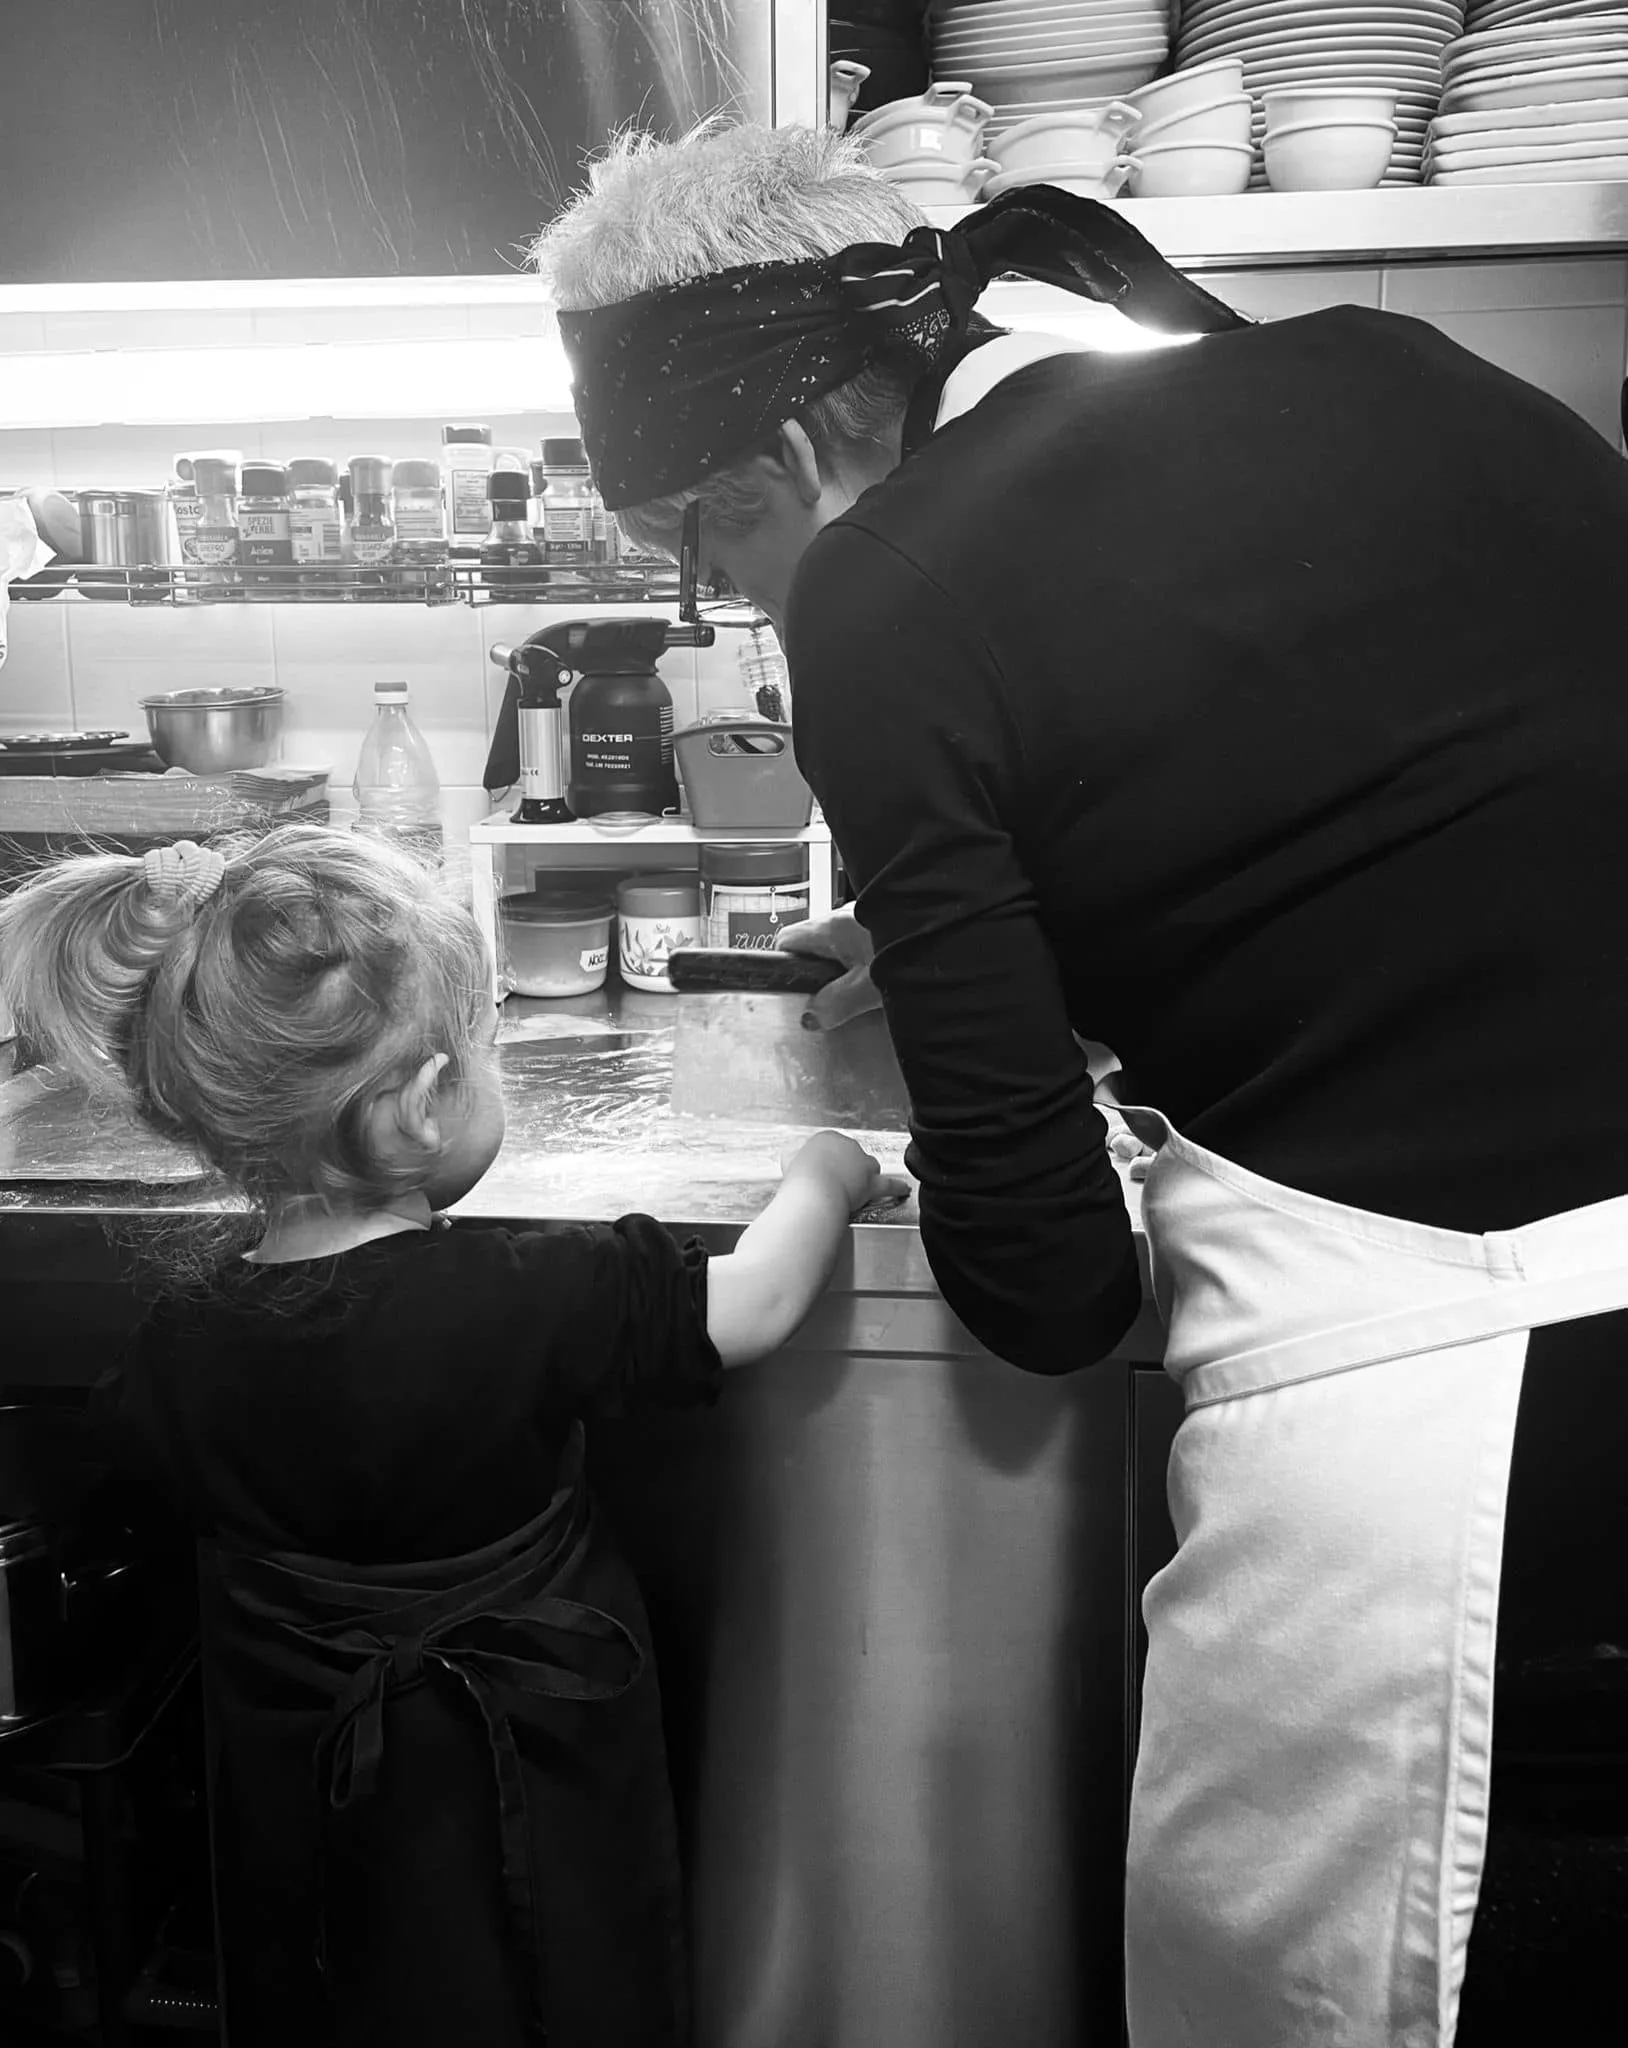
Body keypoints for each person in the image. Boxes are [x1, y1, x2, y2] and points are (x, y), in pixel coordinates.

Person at [530, 120, 1628, 2045]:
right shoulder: (1392, 367)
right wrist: (1047, 934)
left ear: (791, 457)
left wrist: (1000, 1021)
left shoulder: (888, 590)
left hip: (1438, 1429)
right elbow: (1405, 823)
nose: (743, 608)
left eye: (713, 549)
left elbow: (1046, 1286)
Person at [0, 823, 901, 2048]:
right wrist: (825, 1176)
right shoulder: (528, 1290)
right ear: (422, 1103)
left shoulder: (177, 1339)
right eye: (479, 1047)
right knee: (543, 1983)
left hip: (297, 1804)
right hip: (520, 1779)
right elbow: (752, 1303)